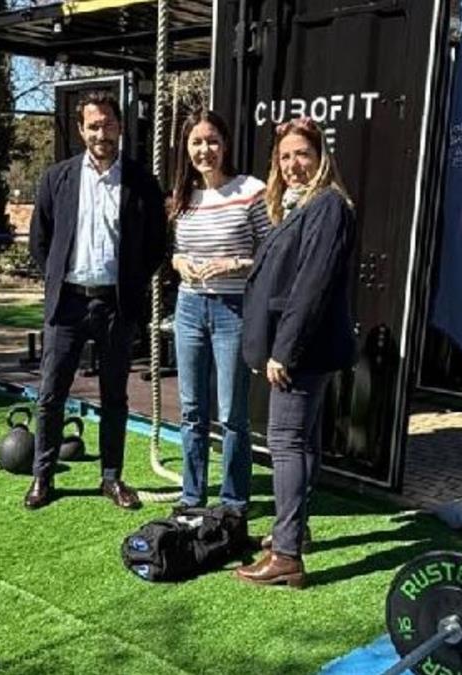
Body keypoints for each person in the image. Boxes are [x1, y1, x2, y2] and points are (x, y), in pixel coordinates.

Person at [25, 90, 167, 510]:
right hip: (66, 304)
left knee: (115, 397)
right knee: (51, 394)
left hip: (115, 307)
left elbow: (157, 244)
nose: (100, 132)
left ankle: (112, 477)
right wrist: (56, 280)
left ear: (119, 126)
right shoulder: (57, 178)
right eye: (93, 125)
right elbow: (40, 241)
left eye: (107, 124)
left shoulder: (142, 182)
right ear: (81, 130)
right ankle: (42, 477)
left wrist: (133, 284)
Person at [234, 117, 357, 588]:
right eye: (284, 157)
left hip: (301, 351)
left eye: (301, 154)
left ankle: (286, 556)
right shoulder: (302, 207)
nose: (292, 165)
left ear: (320, 155)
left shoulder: (327, 206)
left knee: (285, 444)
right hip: (304, 348)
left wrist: (283, 351)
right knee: (301, 443)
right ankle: (294, 532)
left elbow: (312, 285)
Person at [168, 110, 269, 514]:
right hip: (189, 306)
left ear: (225, 144)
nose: (204, 149)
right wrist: (179, 264)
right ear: (186, 148)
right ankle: (192, 496)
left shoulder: (250, 190)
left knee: (231, 414)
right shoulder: (183, 196)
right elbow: (174, 251)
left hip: (233, 309)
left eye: (211, 140)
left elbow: (271, 250)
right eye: (196, 142)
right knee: (192, 410)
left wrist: (235, 264)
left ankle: (233, 500)